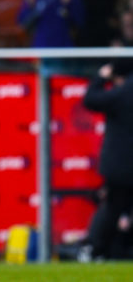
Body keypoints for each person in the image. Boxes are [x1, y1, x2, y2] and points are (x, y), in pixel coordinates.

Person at [80, 59, 133, 261]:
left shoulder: (125, 90)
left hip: (120, 167)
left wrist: (101, 77)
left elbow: (91, 99)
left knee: (112, 208)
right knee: (114, 208)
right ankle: (98, 249)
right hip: (122, 167)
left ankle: (93, 249)